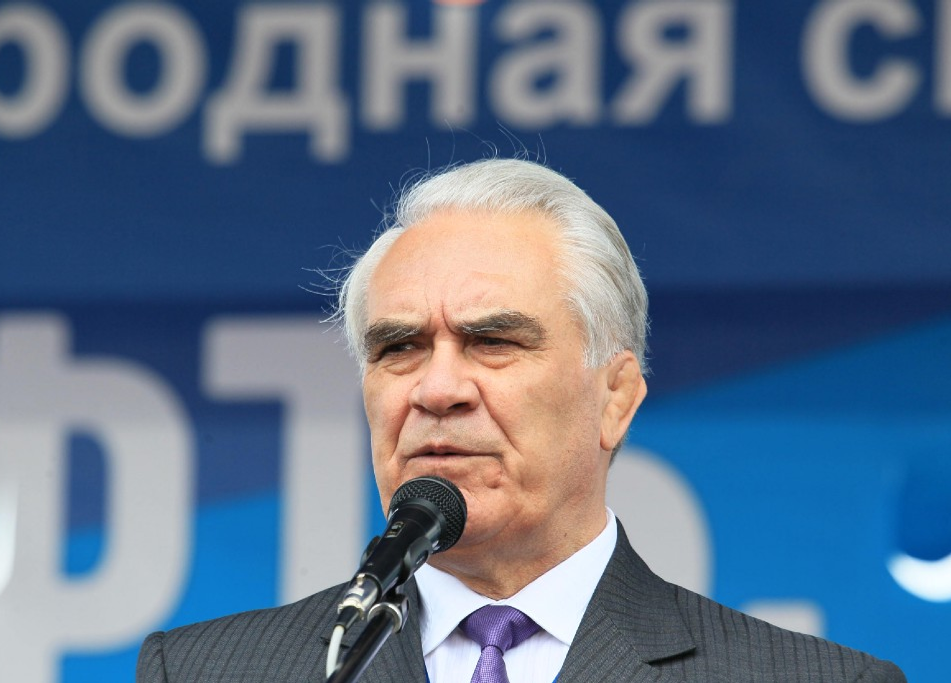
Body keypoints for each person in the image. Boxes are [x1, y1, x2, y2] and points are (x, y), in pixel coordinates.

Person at [137, 158, 905, 682]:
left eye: (493, 341)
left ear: (615, 396)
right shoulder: (205, 671)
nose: (437, 388)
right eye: (399, 347)